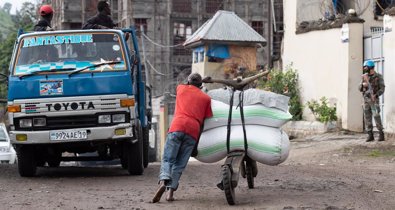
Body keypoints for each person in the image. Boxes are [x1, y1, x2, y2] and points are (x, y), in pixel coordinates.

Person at [152, 73, 213, 203]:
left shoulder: (181, 88)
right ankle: (170, 194)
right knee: (179, 164)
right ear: (201, 85)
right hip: (193, 130)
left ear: (189, 82)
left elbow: (187, 83)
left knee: (168, 158)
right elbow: (203, 124)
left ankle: (163, 181)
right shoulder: (206, 99)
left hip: (177, 126)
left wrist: (201, 80)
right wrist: (196, 144)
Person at [358, 60, 385, 142]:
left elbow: (382, 88)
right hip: (366, 100)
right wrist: (362, 85)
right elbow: (359, 88)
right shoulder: (364, 77)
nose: (364, 68)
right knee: (367, 117)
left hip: (374, 100)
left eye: (366, 67)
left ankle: (381, 134)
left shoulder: (378, 76)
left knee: (376, 116)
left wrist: (376, 95)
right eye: (364, 67)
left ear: (371, 67)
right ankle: (370, 135)